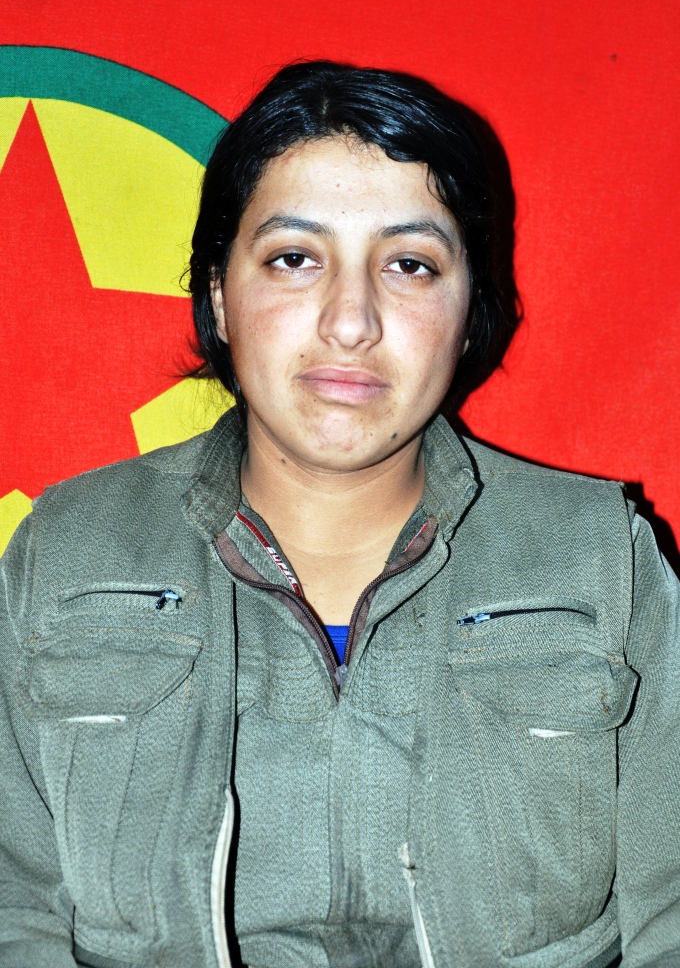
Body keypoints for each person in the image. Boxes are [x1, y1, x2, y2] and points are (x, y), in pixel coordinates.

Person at [0, 61, 678, 968]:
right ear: (218, 294)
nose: (351, 321)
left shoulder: (604, 562)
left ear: (470, 309)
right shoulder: (65, 552)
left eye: (409, 265)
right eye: (294, 258)